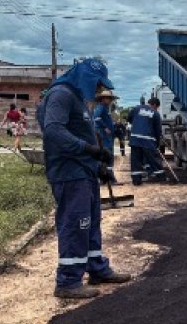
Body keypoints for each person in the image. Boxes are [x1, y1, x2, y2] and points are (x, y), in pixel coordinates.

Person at [38, 58, 131, 299]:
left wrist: (97, 164)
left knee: (91, 222)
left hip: (84, 171)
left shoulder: (80, 99)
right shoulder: (61, 95)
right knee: (76, 223)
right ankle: (68, 281)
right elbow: (53, 130)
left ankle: (97, 268)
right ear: (86, 78)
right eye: (98, 83)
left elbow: (83, 133)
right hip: (69, 173)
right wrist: (87, 149)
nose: (101, 89)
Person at [127, 97, 166, 185]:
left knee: (136, 160)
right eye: (157, 107)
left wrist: (137, 123)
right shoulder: (155, 114)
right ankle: (161, 177)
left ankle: (136, 180)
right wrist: (156, 143)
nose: (157, 109)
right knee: (153, 158)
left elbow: (129, 118)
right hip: (148, 140)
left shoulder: (136, 108)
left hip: (135, 139)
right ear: (155, 105)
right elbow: (158, 130)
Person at [94, 90, 119, 184]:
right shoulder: (100, 108)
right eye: (108, 99)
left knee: (106, 156)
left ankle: (105, 178)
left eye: (110, 99)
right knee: (106, 156)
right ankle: (108, 177)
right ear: (103, 99)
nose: (110, 101)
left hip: (107, 136)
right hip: (104, 137)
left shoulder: (105, 108)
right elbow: (96, 118)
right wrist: (105, 127)